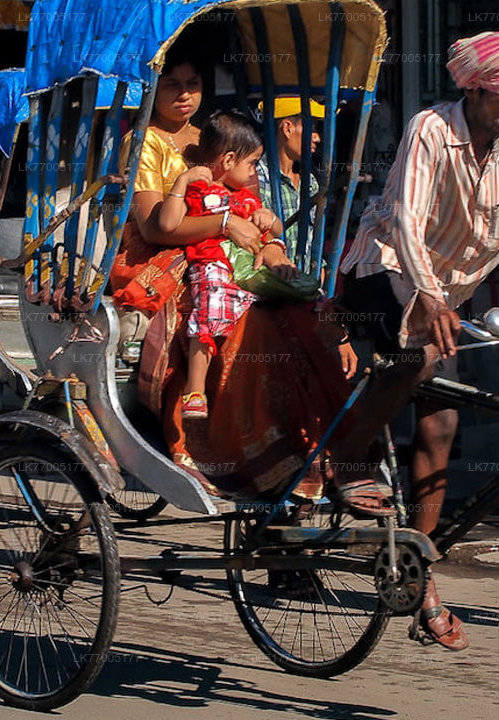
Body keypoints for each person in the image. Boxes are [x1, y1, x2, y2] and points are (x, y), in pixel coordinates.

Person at [333, 31, 499, 651]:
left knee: (440, 427)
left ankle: (420, 580)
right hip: (383, 273)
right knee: (419, 356)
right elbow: (405, 218)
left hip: (447, 293)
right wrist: (426, 296)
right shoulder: (430, 128)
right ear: (472, 91)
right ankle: (343, 453)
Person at [108, 50, 382, 514]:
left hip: (234, 255)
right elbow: (157, 228)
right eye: (171, 85)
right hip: (166, 260)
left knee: (301, 319)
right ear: (153, 88)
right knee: (241, 324)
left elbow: (254, 217)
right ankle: (230, 449)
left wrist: (276, 258)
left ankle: (326, 454)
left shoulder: (216, 135)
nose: (184, 94)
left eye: (192, 81)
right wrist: (223, 226)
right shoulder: (145, 141)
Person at [157, 111, 288, 419]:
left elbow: (273, 230)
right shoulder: (199, 191)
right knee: (209, 310)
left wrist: (271, 221)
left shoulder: (245, 199)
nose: (255, 171)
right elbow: (167, 223)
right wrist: (183, 181)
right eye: (252, 163)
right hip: (213, 267)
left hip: (246, 270)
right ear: (228, 160)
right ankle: (196, 389)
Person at [255, 97, 323, 251]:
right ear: (287, 128)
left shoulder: (310, 182)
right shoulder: (257, 179)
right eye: (311, 129)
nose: (317, 138)